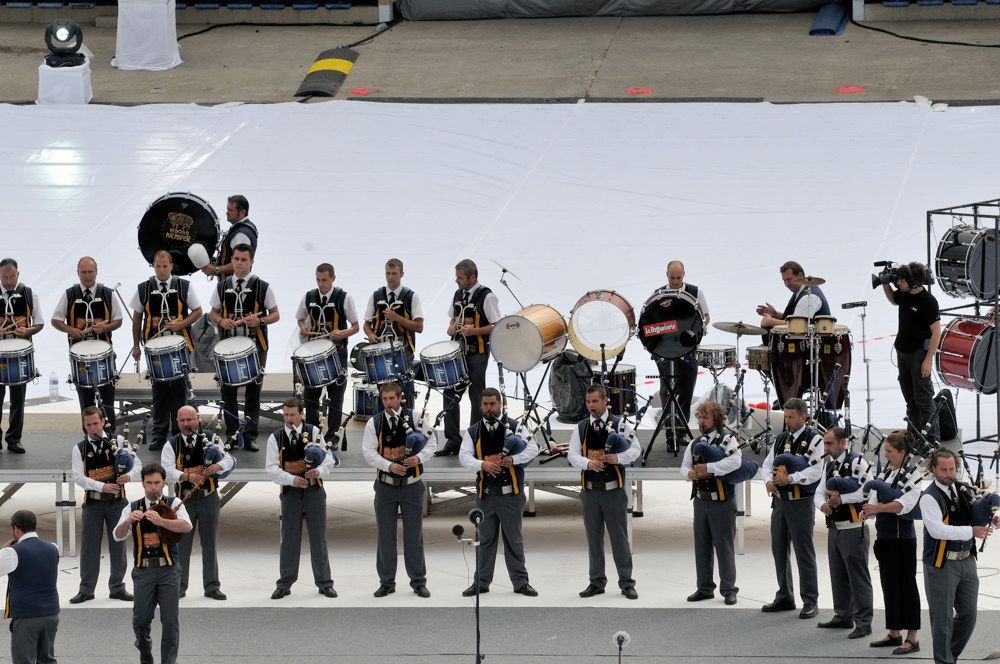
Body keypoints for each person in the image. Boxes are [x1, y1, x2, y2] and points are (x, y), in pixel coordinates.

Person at [918, 449, 999, 664]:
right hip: (941, 563)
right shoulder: (929, 497)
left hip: (967, 560)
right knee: (942, 620)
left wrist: (991, 520)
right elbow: (937, 530)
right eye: (943, 470)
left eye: (952, 469)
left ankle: (950, 656)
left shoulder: (962, 489)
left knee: (968, 614)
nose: (948, 474)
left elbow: (973, 515)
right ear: (933, 469)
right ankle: (944, 660)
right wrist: (972, 531)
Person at [458, 387, 539, 597]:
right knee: (485, 541)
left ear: (500, 404)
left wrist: (514, 459)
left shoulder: (516, 426)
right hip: (486, 496)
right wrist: (482, 464)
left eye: (493, 404)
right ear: (480, 406)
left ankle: (521, 583)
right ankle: (481, 583)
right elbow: (464, 456)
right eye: (485, 404)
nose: (489, 408)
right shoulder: (473, 431)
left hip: (511, 495)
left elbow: (533, 449)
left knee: (514, 540)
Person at [361, 381, 435, 598]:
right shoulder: (374, 422)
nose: (388, 403)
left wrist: (418, 458)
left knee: (414, 536)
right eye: (384, 399)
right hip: (385, 487)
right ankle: (386, 582)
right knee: (385, 536)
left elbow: (432, 443)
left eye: (392, 398)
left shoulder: (416, 417)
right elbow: (369, 452)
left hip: (412, 486)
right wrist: (389, 466)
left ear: (400, 398)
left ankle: (418, 581)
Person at [113, 463, 192, 664]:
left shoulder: (174, 502)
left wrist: (161, 521)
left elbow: (186, 526)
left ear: (164, 483)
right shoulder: (132, 507)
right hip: (143, 571)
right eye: (149, 483)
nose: (153, 487)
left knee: (170, 622)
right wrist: (127, 522)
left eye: (157, 482)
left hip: (169, 570)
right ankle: (145, 650)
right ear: (142, 484)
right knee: (140, 620)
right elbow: (117, 536)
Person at [567, 384, 641, 600]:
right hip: (590, 492)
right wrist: (588, 463)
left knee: (619, 539)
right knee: (593, 539)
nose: (591, 406)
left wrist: (618, 458)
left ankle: (626, 582)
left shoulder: (620, 425)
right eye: (588, 402)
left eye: (595, 401)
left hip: (613, 492)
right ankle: (596, 582)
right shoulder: (581, 427)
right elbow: (572, 455)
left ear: (605, 401)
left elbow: (636, 449)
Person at [129, 250, 203, 451]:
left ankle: (180, 434)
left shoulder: (184, 286)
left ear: (171, 266)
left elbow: (198, 311)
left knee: (179, 392)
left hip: (179, 347)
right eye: (157, 266)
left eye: (164, 266)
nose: (161, 270)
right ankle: (159, 435)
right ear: (153, 266)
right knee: (159, 393)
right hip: (155, 350)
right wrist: (136, 345)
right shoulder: (143, 288)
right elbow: (137, 318)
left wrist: (181, 324)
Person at [209, 244, 280, 452]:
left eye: (243, 260)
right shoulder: (222, 286)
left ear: (251, 262)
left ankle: (250, 436)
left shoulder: (263, 286)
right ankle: (232, 436)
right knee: (228, 392)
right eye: (236, 259)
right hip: (228, 347)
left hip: (256, 346)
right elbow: (213, 312)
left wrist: (260, 321)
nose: (239, 263)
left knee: (253, 392)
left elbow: (276, 314)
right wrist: (221, 321)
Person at [265, 397, 338, 599]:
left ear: (301, 414)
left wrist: (319, 471)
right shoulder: (275, 438)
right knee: (289, 538)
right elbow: (271, 469)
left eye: (292, 415)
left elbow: (329, 459)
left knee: (318, 537)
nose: (288, 419)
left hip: (314, 491)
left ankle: (324, 583)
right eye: (285, 415)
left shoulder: (314, 432)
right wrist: (292, 480)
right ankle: (285, 583)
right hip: (290, 492)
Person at [69, 406, 140, 605]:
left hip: (118, 502)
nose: (93, 428)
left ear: (103, 422)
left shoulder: (118, 440)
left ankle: (117, 588)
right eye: (88, 425)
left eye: (96, 423)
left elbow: (138, 464)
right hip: (93, 503)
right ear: (84, 425)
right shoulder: (79, 448)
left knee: (118, 545)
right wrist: (101, 486)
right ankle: (86, 590)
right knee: (89, 548)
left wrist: (129, 476)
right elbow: (78, 477)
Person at [161, 405, 233, 600]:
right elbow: (166, 470)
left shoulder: (212, 439)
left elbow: (229, 460)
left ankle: (212, 587)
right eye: (182, 420)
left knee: (210, 544)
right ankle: (179, 586)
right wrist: (186, 476)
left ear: (198, 419)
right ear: (177, 422)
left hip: (209, 497)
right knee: (182, 545)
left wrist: (218, 466)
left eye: (190, 420)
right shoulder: (172, 444)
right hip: (184, 500)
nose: (186, 424)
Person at [760, 397, 823, 618]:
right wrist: (768, 480)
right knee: (779, 549)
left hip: (801, 502)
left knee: (804, 551)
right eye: (785, 416)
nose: (787, 421)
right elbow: (767, 464)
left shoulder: (815, 439)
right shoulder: (781, 439)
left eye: (791, 417)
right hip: (780, 502)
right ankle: (785, 595)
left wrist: (791, 478)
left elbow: (815, 472)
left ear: (804, 417)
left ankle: (810, 600)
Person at [860, 431, 922, 655]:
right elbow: (875, 495)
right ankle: (894, 632)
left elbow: (904, 505)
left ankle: (912, 638)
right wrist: (869, 510)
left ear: (903, 452)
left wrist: (879, 508)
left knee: (907, 587)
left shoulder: (913, 475)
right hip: (885, 538)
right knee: (889, 586)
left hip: (902, 540)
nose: (885, 455)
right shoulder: (887, 472)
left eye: (889, 451)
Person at [436, 259, 501, 457]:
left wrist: (475, 331)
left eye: (460, 277)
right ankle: (453, 440)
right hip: (458, 353)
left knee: (476, 396)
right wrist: (451, 327)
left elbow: (497, 325)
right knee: (449, 393)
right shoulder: (458, 294)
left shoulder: (486, 296)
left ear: (472, 277)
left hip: (477, 353)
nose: (456, 281)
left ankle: (474, 440)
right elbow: (453, 317)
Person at [51, 256, 123, 431]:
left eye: (90, 272)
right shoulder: (69, 294)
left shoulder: (108, 293)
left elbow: (118, 320)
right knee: (86, 403)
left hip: (104, 356)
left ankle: (110, 436)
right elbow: (55, 320)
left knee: (107, 402)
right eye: (83, 272)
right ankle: (89, 438)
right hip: (80, 359)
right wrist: (70, 329)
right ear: (78, 273)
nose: (87, 275)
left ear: (96, 272)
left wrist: (106, 327)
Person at [814, 427, 873, 639]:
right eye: (825, 443)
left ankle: (864, 622)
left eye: (829, 443)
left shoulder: (858, 462)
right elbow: (819, 491)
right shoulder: (829, 465)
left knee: (858, 578)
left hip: (853, 527)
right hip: (835, 528)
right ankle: (843, 615)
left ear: (842, 442)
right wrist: (822, 505)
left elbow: (868, 491)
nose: (826, 448)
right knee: (838, 575)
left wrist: (842, 500)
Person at [680, 400, 740, 605]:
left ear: (716, 419)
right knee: (702, 546)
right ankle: (704, 588)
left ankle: (729, 589)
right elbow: (684, 465)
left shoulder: (728, 439)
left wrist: (710, 468)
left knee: (724, 546)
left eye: (705, 417)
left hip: (722, 502)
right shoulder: (695, 442)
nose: (701, 421)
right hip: (701, 501)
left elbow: (735, 461)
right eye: (699, 417)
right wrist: (689, 473)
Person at [295, 263, 358, 442]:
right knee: (311, 396)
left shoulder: (344, 297)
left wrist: (342, 333)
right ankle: (312, 434)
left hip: (337, 353)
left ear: (333, 278)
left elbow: (355, 327)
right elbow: (300, 318)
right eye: (318, 280)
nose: (321, 284)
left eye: (324, 280)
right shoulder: (309, 296)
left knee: (336, 396)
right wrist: (303, 327)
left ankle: (332, 438)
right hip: (313, 355)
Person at [882, 261, 941, 440]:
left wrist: (928, 360)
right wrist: (884, 283)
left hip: (919, 355)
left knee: (923, 400)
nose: (898, 283)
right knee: (910, 399)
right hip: (902, 352)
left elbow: (936, 332)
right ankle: (914, 437)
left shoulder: (928, 301)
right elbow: (893, 300)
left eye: (901, 280)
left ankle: (931, 441)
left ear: (914, 282)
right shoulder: (903, 294)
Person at [653, 260, 710, 440]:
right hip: (666, 350)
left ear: (684, 275)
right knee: (667, 390)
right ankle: (670, 432)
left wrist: (696, 327)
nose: (676, 281)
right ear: (666, 275)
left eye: (678, 277)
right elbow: (651, 320)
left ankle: (682, 431)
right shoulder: (659, 294)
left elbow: (706, 316)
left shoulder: (695, 292)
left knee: (686, 390)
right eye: (672, 278)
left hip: (688, 348)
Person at [363, 258, 424, 408]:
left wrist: (397, 318)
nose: (390, 277)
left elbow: (419, 327)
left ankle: (408, 419)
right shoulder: (376, 295)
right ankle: (384, 420)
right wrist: (370, 334)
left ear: (401, 274)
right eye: (388, 273)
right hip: (381, 353)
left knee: (405, 392)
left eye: (394, 273)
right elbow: (366, 324)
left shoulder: (411, 297)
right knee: (383, 393)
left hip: (404, 352)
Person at [0, 510, 59, 664]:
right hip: (51, 614)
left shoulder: (12, 552)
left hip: (27, 616)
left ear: (16, 529)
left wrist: (3, 550)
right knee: (47, 660)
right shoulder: (53, 547)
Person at [0, 258, 43, 454]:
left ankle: (14, 439)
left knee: (18, 399)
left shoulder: (29, 293)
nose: (9, 282)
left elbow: (39, 323)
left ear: (18, 274)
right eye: (5, 277)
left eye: (12, 277)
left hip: (20, 355)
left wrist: (28, 330)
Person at [756, 260, 830, 330]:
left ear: (800, 275)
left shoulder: (808, 297)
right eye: (784, 280)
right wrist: (775, 314)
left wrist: (770, 321)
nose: (786, 284)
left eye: (789, 279)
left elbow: (797, 326)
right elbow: (795, 318)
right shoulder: (800, 291)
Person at [201, 194, 257, 279]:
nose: (227, 213)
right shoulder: (244, 227)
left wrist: (216, 270)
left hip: (235, 285)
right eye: (227, 209)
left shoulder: (241, 234)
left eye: (231, 210)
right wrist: (218, 261)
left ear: (242, 212)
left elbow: (241, 264)